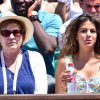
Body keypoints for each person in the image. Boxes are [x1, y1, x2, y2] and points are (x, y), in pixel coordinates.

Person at [9, 0, 62, 93]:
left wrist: (32, 15)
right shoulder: (4, 19)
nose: (20, 0)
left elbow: (48, 48)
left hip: (41, 77)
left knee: (51, 83)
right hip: (7, 74)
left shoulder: (52, 19)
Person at [0, 16, 47, 94]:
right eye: (5, 33)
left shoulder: (35, 58)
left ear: (23, 36)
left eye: (16, 32)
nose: (11, 37)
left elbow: (40, 94)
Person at [55, 13, 100, 93]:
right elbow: (59, 96)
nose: (88, 34)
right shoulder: (64, 63)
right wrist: (64, 87)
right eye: (83, 31)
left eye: (93, 31)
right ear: (75, 35)